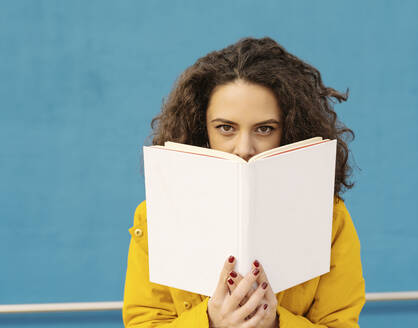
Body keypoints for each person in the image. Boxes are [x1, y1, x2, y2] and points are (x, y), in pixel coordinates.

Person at [123, 37, 365, 327]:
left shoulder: (331, 218)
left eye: (264, 128)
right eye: (226, 128)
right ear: (202, 129)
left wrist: (276, 323)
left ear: (289, 131)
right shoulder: (154, 218)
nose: (244, 148)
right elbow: (144, 322)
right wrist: (210, 322)